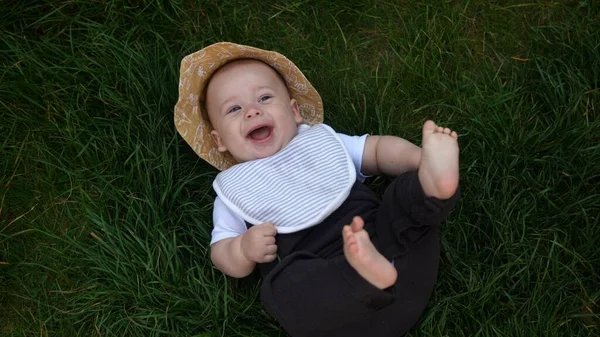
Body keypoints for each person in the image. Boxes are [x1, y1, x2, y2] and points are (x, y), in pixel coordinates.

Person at [174, 42, 460, 337]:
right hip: (339, 306)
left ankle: (432, 180)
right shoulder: (236, 190)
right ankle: (364, 277)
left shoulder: (319, 143)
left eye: (264, 97)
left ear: (295, 111)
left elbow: (375, 151)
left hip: (395, 252)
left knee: (400, 200)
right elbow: (221, 254)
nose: (252, 111)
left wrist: (416, 159)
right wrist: (243, 249)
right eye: (234, 109)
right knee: (285, 286)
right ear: (219, 140)